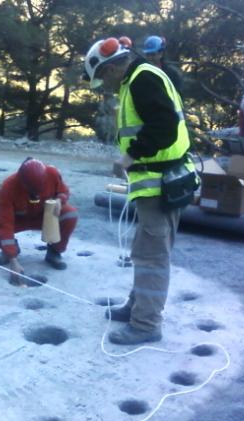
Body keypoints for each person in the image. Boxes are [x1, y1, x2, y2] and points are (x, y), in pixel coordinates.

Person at [84, 37, 197, 345]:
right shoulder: (143, 76)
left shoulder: (141, 79)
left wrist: (129, 156)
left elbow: (164, 125)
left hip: (160, 184)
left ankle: (146, 324)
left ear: (111, 68)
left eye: (103, 78)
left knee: (151, 257)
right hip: (165, 181)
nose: (105, 86)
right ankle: (137, 306)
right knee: (146, 250)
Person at [0, 158, 78, 280]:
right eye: (32, 190)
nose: (36, 194)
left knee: (70, 215)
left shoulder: (52, 173)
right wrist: (13, 260)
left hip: (44, 217)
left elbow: (63, 191)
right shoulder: (8, 187)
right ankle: (12, 250)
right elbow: (6, 223)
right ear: (22, 181)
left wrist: (60, 200)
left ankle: (54, 251)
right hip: (18, 219)